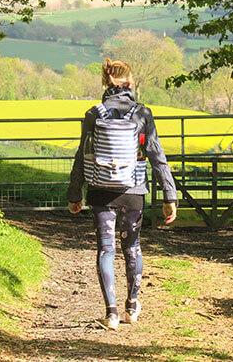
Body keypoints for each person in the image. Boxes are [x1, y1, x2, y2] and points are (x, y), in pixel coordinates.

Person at [67, 58, 178, 331]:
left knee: (106, 248)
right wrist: (169, 195)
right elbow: (156, 156)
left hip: (100, 191)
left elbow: (82, 157)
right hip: (133, 191)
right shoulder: (142, 114)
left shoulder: (94, 114)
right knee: (132, 246)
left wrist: (74, 194)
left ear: (106, 83)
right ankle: (132, 305)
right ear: (130, 83)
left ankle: (111, 313)